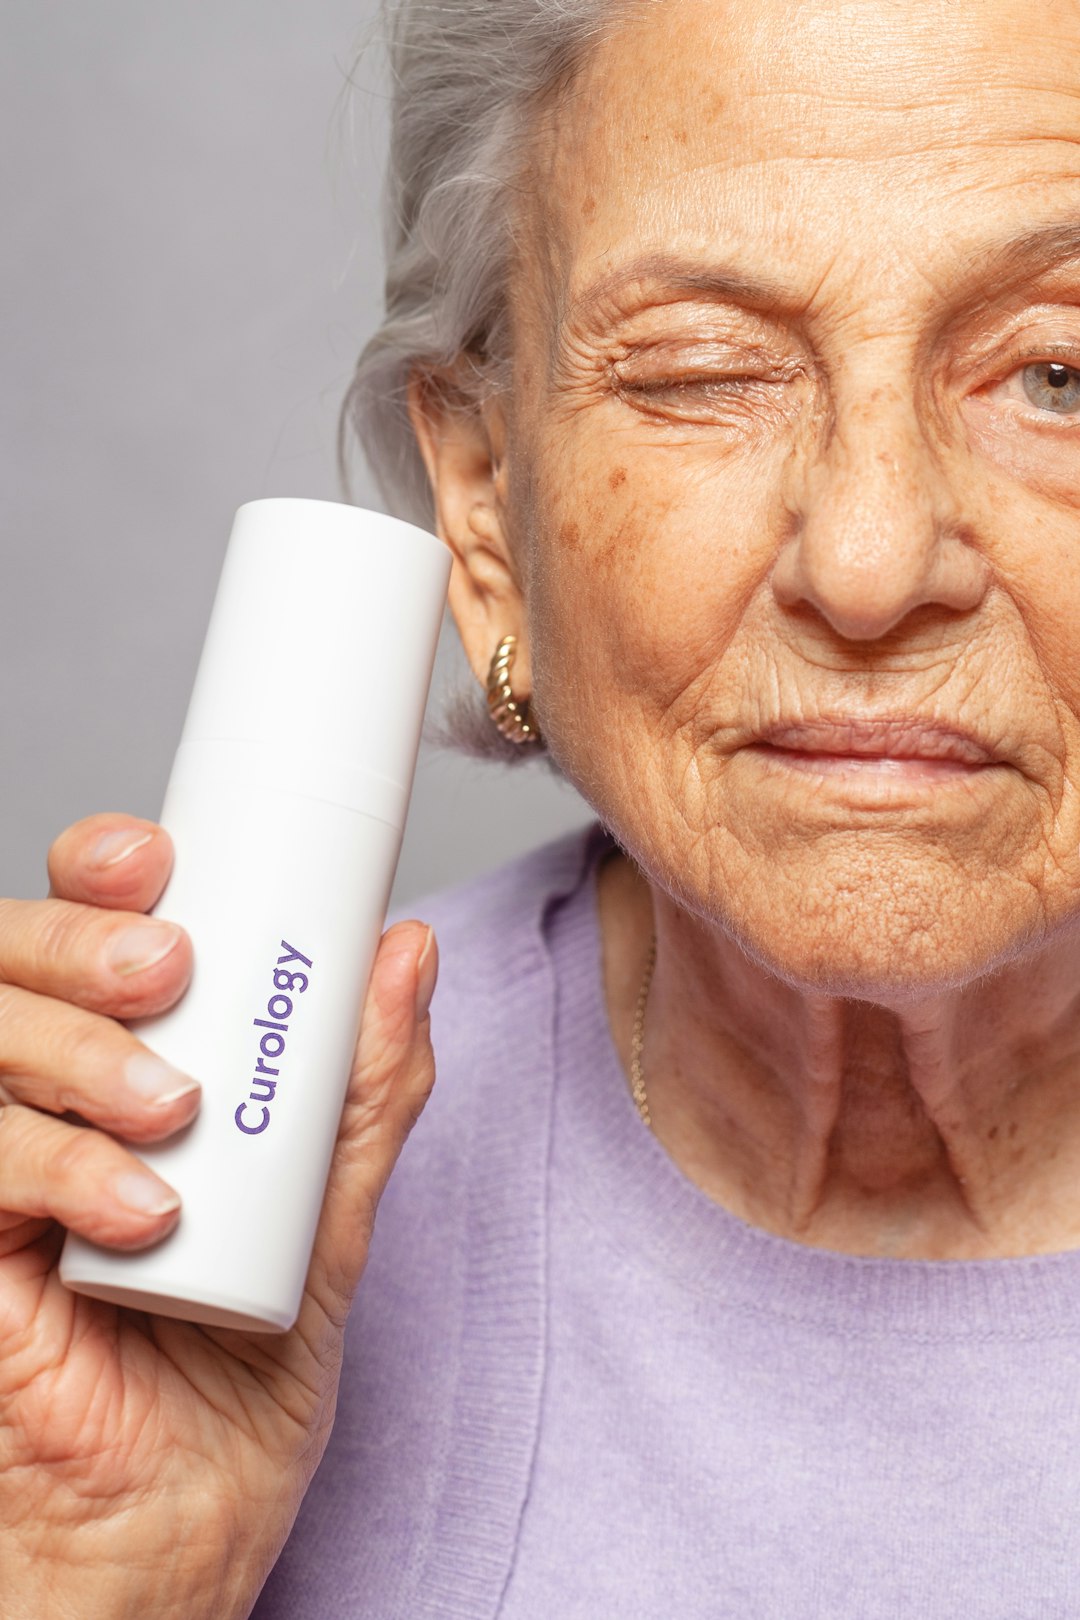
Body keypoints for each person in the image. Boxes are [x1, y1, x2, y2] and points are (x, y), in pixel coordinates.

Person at [6, 0, 1080, 1611]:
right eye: (706, 372)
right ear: (488, 512)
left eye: (1060, 373)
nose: (866, 564)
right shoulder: (231, 1197)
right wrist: (98, 1573)